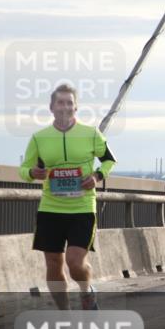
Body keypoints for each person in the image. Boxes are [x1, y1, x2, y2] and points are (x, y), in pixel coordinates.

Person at [19, 84, 116, 310]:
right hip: (50, 208)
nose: (65, 107)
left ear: (76, 107)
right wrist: (33, 173)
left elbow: (110, 160)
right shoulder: (39, 138)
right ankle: (64, 314)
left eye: (69, 103)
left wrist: (98, 175)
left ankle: (86, 290)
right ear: (51, 107)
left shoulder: (91, 133)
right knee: (53, 264)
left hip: (82, 208)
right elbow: (23, 169)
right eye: (60, 103)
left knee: (75, 263)